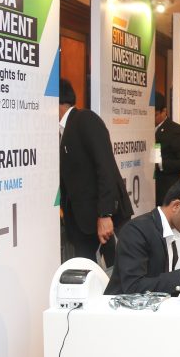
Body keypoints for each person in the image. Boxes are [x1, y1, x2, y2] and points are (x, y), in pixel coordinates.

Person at [58, 79, 133, 264]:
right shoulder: (61, 131)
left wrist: (105, 214)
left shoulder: (85, 119)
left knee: (117, 269)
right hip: (82, 224)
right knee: (91, 271)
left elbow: (105, 166)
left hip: (104, 221)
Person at [104, 175, 180, 295]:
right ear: (176, 206)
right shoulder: (136, 231)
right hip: (121, 305)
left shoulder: (169, 231)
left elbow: (158, 281)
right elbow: (133, 287)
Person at [153, 92, 180, 206]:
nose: (151, 118)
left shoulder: (176, 131)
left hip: (165, 189)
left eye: (155, 115)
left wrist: (160, 164)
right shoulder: (144, 129)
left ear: (164, 111)